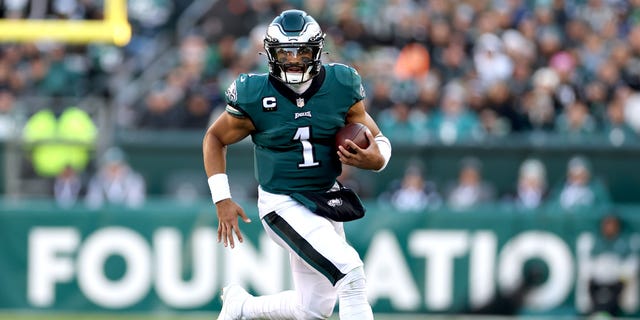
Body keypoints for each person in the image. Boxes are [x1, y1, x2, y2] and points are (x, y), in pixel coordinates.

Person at [202, 10, 391, 320]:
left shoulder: (341, 84)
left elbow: (378, 138)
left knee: (313, 309)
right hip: (283, 202)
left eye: (302, 51)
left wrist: (378, 159)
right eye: (284, 52)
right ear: (270, 53)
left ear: (317, 50)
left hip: (325, 197)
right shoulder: (254, 93)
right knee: (351, 273)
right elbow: (214, 138)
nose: (293, 59)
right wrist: (221, 197)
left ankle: (242, 308)